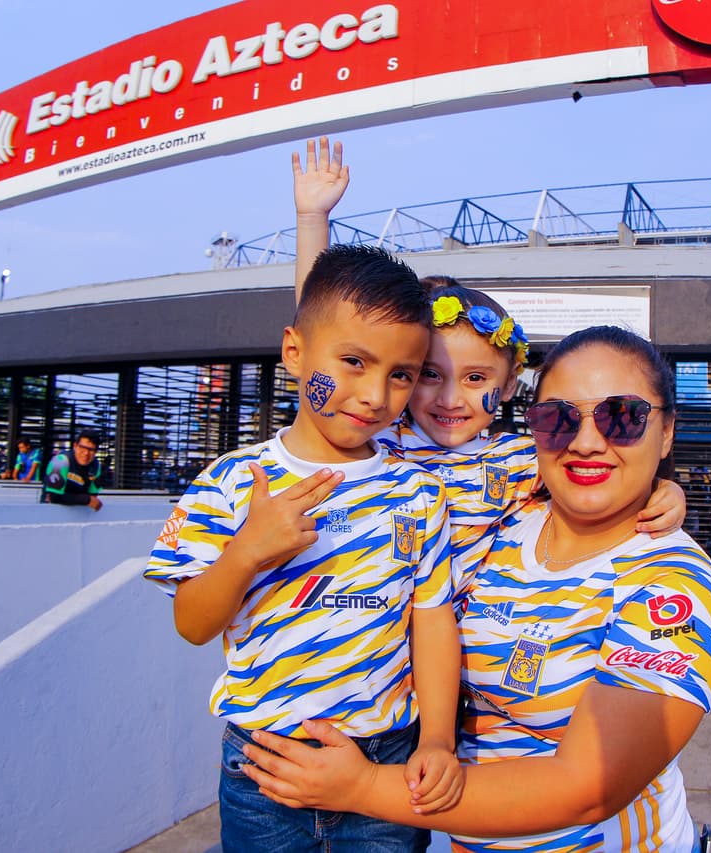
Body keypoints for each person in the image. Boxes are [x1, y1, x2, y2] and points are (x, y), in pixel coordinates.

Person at [242, 325, 711, 853]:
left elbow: (587, 789)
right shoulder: (502, 522)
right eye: (558, 419)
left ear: (665, 432)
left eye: (624, 418)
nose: (587, 441)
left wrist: (362, 788)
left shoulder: (672, 585)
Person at [144, 244, 463, 853]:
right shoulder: (231, 482)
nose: (375, 395)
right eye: (352, 362)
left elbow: (432, 620)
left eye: (401, 374)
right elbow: (190, 624)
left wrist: (438, 741)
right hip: (265, 767)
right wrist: (245, 554)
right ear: (294, 352)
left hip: (388, 763)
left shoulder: (420, 492)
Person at [292, 139, 687, 606]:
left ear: (506, 387)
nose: (450, 398)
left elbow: (601, 469)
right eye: (429, 376)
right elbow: (322, 333)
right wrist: (312, 220)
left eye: (476, 379)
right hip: (374, 650)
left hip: (457, 659)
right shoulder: (378, 441)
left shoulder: (520, 462)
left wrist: (664, 488)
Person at [41, 431, 103, 511]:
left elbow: (93, 498)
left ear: (96, 452)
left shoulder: (95, 466)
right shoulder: (60, 461)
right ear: (75, 446)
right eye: (82, 448)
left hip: (78, 514)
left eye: (91, 450)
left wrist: (88, 499)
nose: (86, 453)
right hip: (50, 512)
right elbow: (54, 497)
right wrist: (85, 499)